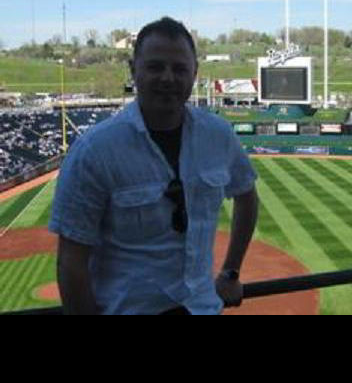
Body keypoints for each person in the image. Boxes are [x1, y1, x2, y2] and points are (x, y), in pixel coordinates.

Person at [49, 17, 259, 315]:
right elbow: (71, 260)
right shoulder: (94, 151)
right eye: (155, 67)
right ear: (133, 70)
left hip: (202, 308)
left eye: (179, 69)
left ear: (195, 73)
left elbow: (247, 197)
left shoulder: (219, 135)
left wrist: (231, 272)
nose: (168, 78)